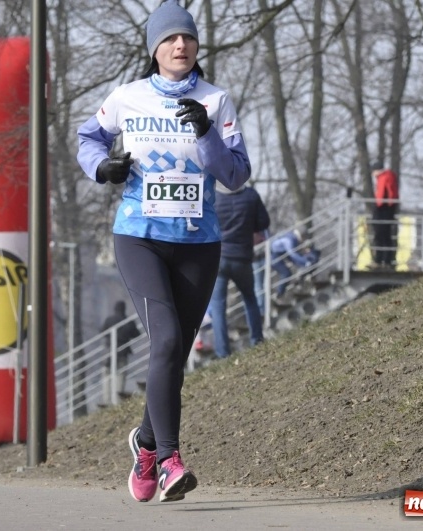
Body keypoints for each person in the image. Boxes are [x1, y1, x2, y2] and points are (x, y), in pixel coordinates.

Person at [76, 0, 250, 503]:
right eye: (171, 39)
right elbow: (88, 137)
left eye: (189, 39)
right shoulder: (127, 98)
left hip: (199, 244)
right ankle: (170, 459)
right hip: (140, 238)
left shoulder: (216, 102)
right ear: (155, 49)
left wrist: (206, 133)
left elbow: (236, 176)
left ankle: (145, 444)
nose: (181, 45)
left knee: (172, 355)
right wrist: (101, 167)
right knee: (168, 341)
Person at [210, 183, 270, 358]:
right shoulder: (250, 195)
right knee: (250, 298)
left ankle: (223, 352)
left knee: (218, 306)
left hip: (218, 258)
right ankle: (257, 340)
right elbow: (263, 222)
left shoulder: (212, 196)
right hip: (242, 258)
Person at [99, 300, 141, 398]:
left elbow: (102, 332)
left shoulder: (109, 320)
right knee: (120, 376)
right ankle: (118, 397)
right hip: (123, 352)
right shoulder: (128, 321)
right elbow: (136, 334)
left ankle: (107, 398)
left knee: (107, 375)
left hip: (109, 352)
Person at [270, 229, 320, 303]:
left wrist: (303, 263)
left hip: (279, 254)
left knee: (298, 265)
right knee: (286, 273)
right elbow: (293, 254)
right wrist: (306, 262)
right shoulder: (290, 239)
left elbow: (293, 256)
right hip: (273, 255)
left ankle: (299, 282)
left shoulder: (291, 237)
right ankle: (278, 294)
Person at [370, 161, 399, 269]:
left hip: (383, 210)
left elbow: (381, 195)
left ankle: (381, 259)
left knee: (380, 234)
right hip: (387, 209)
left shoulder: (384, 177)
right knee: (384, 235)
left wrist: (378, 206)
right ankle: (385, 260)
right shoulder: (389, 176)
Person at [252, 229, 270, 318]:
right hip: (256, 258)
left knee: (261, 285)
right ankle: (261, 309)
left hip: (264, 254)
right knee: (259, 286)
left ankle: (263, 309)